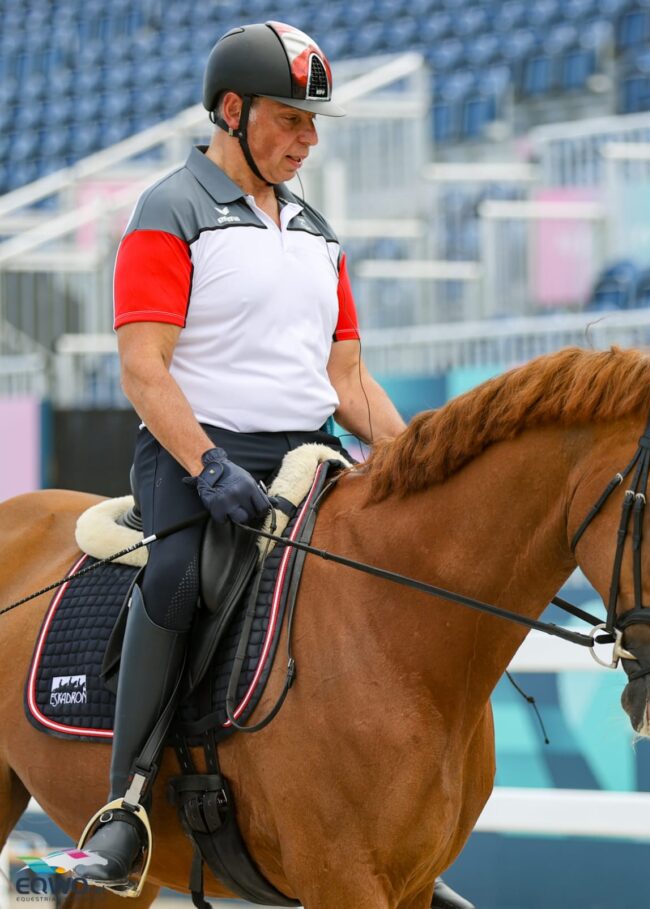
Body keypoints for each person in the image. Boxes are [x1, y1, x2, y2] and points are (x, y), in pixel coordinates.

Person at [72, 22, 474, 909]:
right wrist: (208, 464)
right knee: (178, 577)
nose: (309, 138)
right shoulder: (168, 209)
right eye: (292, 118)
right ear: (232, 111)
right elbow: (144, 366)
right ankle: (126, 805)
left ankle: (379, 828)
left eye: (313, 121)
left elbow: (347, 380)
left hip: (310, 453)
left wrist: (413, 459)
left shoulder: (319, 231)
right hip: (196, 451)